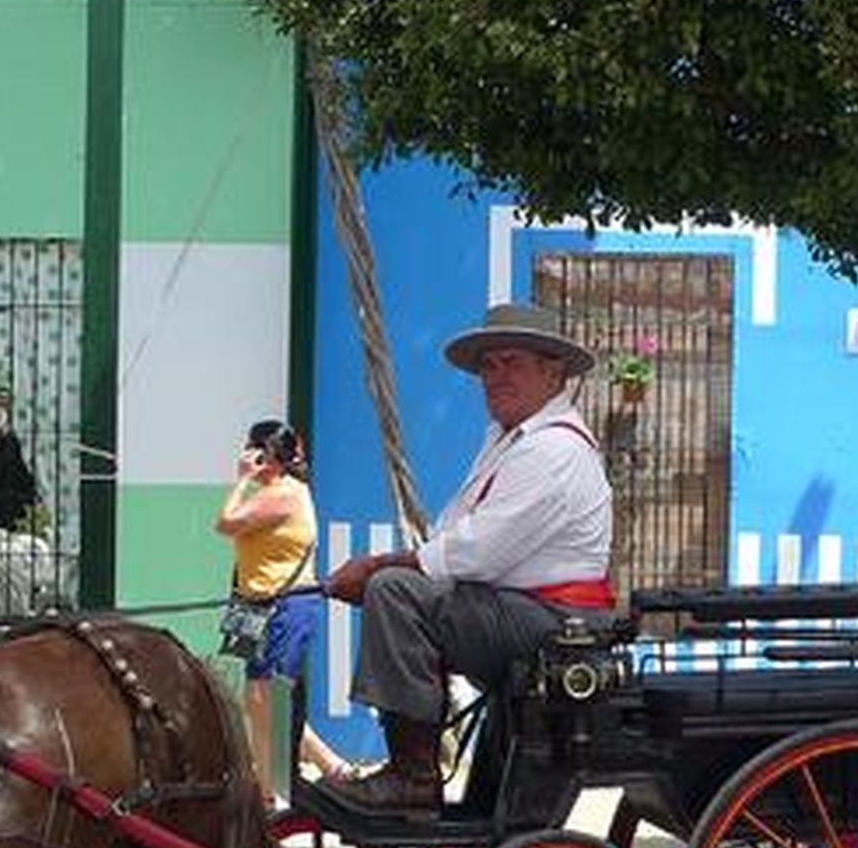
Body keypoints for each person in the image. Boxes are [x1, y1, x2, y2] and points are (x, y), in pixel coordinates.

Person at [322, 303, 614, 813]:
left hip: (555, 624)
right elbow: (453, 534)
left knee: (395, 590)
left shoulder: (553, 451)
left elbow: (476, 551)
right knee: (399, 584)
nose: (495, 377)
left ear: (554, 372)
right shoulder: (506, 441)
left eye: (510, 363)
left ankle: (414, 774)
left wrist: (376, 568)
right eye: (488, 366)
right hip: (523, 612)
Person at [213, 419, 347, 801]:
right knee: (259, 699)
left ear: (273, 456)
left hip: (288, 604)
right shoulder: (266, 490)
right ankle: (324, 766)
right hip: (254, 607)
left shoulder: (285, 493)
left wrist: (241, 479)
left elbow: (225, 523)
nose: (253, 458)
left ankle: (271, 787)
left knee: (269, 697)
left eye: (259, 451)